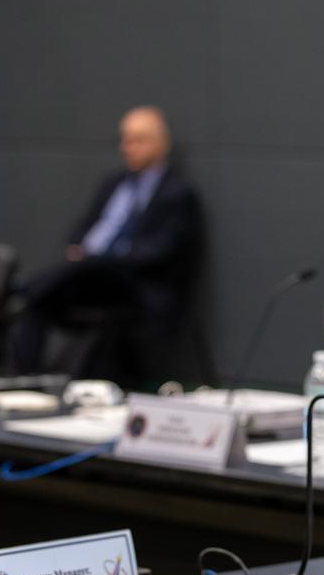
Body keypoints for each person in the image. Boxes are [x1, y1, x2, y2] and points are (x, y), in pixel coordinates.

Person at [11, 106, 199, 386]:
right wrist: (78, 247)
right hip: (93, 279)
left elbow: (160, 252)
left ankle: (22, 286)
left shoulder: (176, 193)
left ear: (161, 144)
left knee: (88, 265)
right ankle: (24, 383)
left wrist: (108, 258)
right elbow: (81, 227)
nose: (128, 147)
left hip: (135, 284)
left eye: (138, 140)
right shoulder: (113, 183)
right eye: (125, 139)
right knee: (38, 303)